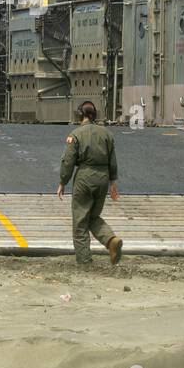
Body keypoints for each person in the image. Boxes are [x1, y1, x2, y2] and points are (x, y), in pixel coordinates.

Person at [57, 101, 123, 267]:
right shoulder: (107, 134)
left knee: (80, 222)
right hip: (103, 178)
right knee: (93, 217)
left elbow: (68, 161)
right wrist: (113, 183)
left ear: (81, 115)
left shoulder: (76, 134)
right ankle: (111, 240)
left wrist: (63, 181)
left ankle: (85, 262)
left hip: (85, 177)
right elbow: (112, 161)